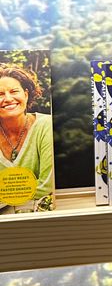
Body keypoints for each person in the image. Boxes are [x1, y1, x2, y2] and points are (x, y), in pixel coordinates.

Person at [0, 61, 54, 213]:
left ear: (25, 94)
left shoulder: (47, 126)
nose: (8, 99)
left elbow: (47, 185)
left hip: (39, 216)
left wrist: (8, 196)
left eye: (14, 91)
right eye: (0, 94)